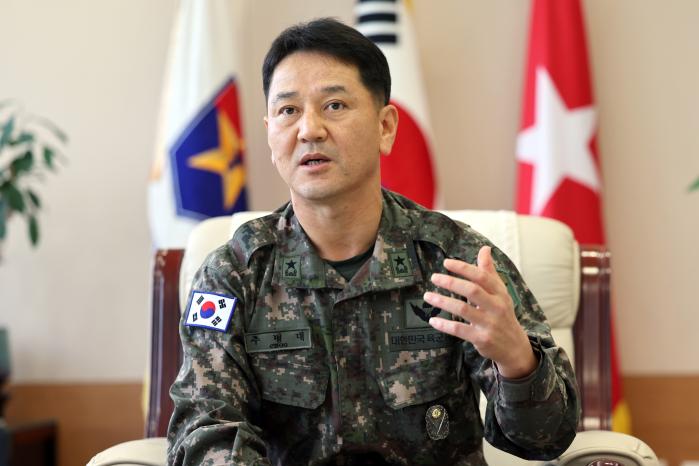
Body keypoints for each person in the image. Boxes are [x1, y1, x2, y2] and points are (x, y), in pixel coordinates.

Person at [167, 18, 579, 466]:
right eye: (288, 111)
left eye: (334, 105)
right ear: (270, 133)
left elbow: (545, 439)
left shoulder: (455, 262)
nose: (309, 130)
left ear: (385, 127)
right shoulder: (234, 276)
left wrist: (518, 361)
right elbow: (204, 431)